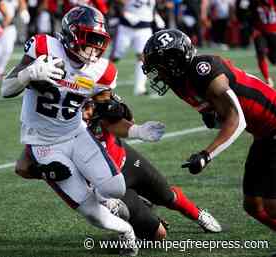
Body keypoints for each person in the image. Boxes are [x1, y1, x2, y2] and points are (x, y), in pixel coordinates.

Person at [1, 6, 165, 256]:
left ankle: (105, 200)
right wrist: (27, 75)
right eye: (91, 39)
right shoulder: (45, 47)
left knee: (116, 188)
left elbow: (107, 113)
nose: (95, 48)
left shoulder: (104, 71)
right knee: (89, 211)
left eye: (100, 41)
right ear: (72, 34)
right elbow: (6, 89)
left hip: (77, 134)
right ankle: (125, 231)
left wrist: (136, 129)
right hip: (44, 144)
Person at [15, 96, 222, 240]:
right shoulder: (50, 131)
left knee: (167, 196)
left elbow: (122, 122)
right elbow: (22, 167)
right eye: (81, 108)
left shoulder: (96, 105)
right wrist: (45, 172)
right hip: (108, 190)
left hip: (127, 162)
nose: (86, 114)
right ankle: (139, 219)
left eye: (87, 106)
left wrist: (135, 127)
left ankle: (197, 214)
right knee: (159, 235)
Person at [142, 28, 276, 232]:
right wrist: (213, 118)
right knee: (253, 206)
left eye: (159, 67)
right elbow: (221, 118)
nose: (157, 73)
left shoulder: (202, 69)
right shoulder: (180, 83)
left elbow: (237, 118)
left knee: (271, 205)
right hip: (263, 135)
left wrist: (206, 154)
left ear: (174, 61)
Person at [109, 0, 163, 96]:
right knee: (115, 57)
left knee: (143, 57)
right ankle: (101, 79)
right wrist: (123, 12)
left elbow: (154, 5)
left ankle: (140, 88)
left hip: (145, 28)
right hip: (126, 27)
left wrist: (155, 15)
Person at [0, 0, 30, 80]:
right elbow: (7, 16)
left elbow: (22, 3)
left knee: (8, 50)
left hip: (9, 27)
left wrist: (24, 10)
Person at [246, 0, 276, 87]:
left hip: (273, 32)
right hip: (260, 32)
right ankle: (267, 79)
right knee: (260, 52)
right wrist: (252, 29)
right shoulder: (254, 3)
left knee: (273, 60)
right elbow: (249, 16)